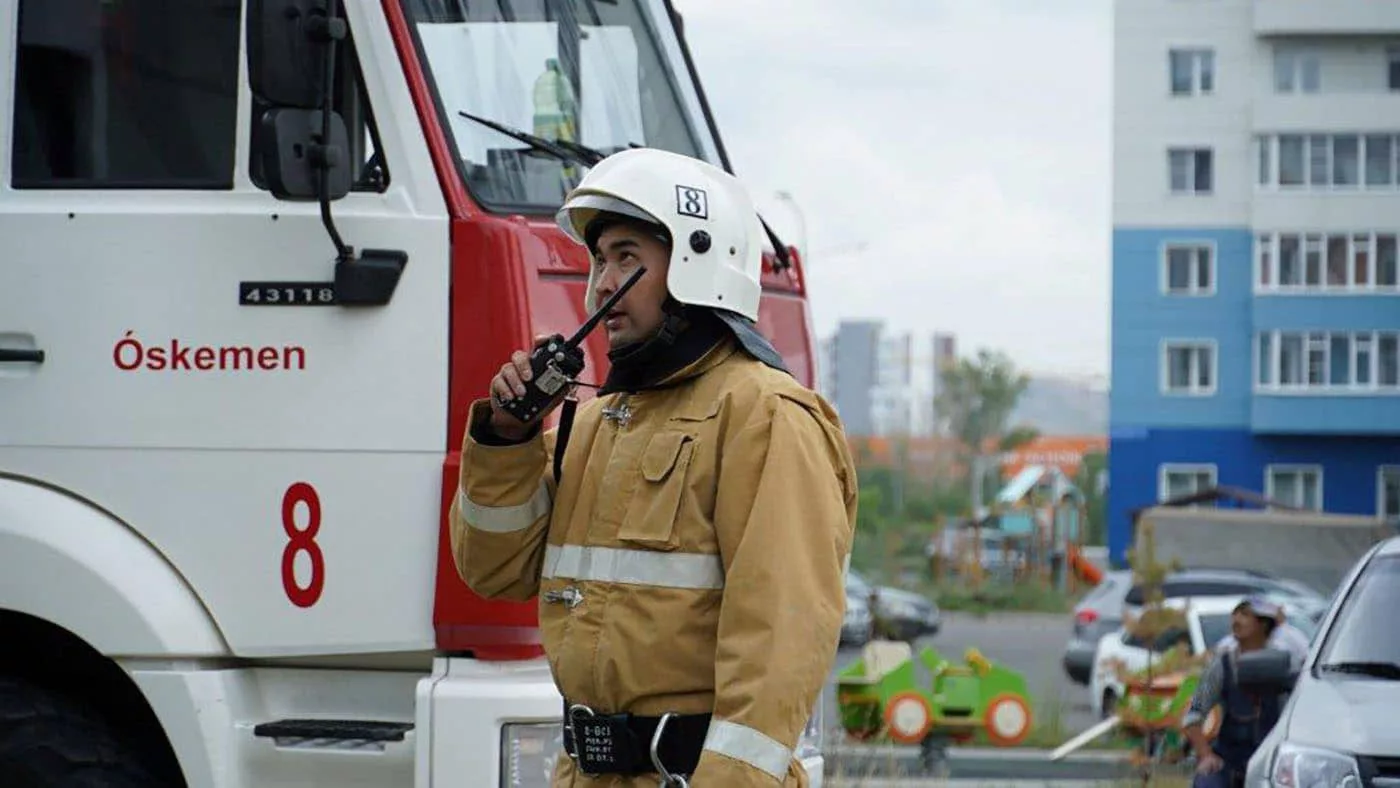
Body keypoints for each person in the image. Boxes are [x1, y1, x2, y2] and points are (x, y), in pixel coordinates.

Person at [448, 147, 859, 787]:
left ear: (699, 263)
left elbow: (780, 644)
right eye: (598, 260)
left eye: (626, 258)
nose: (601, 284)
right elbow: (494, 572)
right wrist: (507, 440)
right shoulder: (596, 422)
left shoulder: (766, 416)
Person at [1183, 597, 1290, 788]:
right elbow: (1193, 715)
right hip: (1229, 760)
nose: (1236, 620)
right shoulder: (1222, 664)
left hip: (1270, 763)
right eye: (1235, 614)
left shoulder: (1282, 664)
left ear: (1263, 624)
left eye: (1245, 615)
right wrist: (1206, 755)